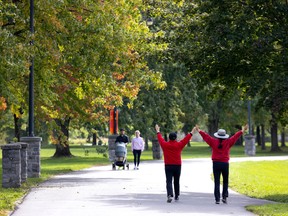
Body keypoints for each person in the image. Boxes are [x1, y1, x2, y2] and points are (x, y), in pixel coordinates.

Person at [194, 124, 248, 204]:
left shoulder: (213, 142)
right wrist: (242, 131)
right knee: (225, 181)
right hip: (225, 163)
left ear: (217, 136)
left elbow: (206, 137)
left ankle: (217, 199)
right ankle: (225, 197)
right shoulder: (228, 142)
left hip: (216, 163)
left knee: (217, 181)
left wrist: (199, 130)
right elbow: (235, 137)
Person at [155, 124, 195, 203]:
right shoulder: (179, 145)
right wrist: (191, 132)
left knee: (169, 181)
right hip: (177, 165)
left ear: (169, 138)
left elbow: (160, 139)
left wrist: (158, 131)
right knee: (176, 180)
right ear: (176, 138)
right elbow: (186, 139)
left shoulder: (165, 145)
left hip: (168, 165)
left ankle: (170, 194)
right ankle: (176, 195)